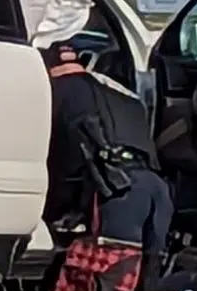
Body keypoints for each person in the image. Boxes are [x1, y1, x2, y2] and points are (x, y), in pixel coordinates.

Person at [46, 38, 173, 271]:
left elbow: (66, 166)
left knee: (110, 284)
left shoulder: (53, 95)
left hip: (118, 191)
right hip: (156, 187)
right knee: (151, 277)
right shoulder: (122, 95)